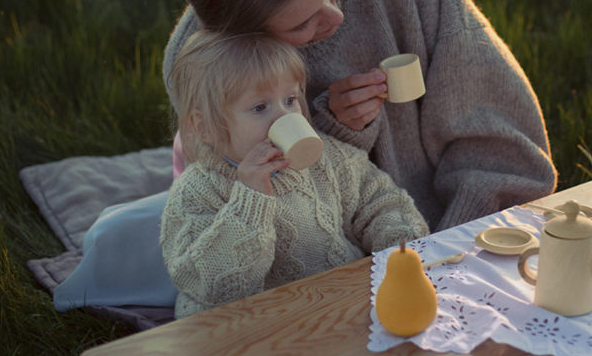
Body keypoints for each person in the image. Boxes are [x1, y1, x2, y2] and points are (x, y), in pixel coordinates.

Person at [163, 0, 557, 232]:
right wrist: (333, 130)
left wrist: (458, 239)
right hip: (336, 254)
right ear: (248, 38)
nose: (336, 18)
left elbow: (495, 128)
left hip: (430, 227)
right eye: (303, 23)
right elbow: (265, 226)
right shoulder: (203, 66)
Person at [161, 30, 429, 319]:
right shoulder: (197, 191)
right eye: (260, 107)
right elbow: (216, 286)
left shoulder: (327, 158)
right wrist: (250, 200)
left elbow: (378, 200)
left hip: (338, 303)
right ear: (205, 127)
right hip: (255, 328)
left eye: (290, 100)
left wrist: (399, 243)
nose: (285, 117)